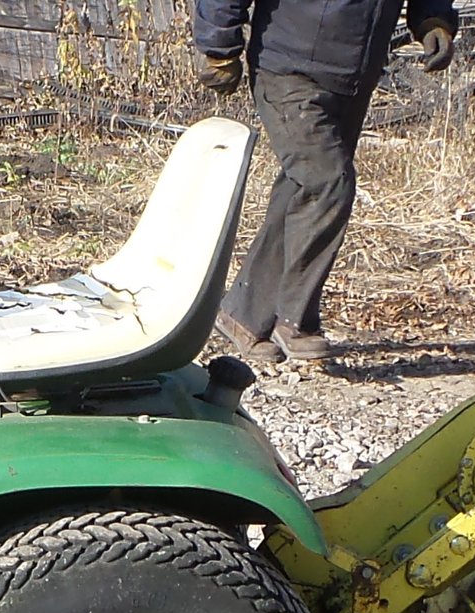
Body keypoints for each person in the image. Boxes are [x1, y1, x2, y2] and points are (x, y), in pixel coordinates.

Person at [195, 0, 459, 362]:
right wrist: (218, 47)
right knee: (328, 183)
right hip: (288, 69)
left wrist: (432, 19)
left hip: (353, 76)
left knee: (303, 190)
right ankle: (296, 320)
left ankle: (245, 315)